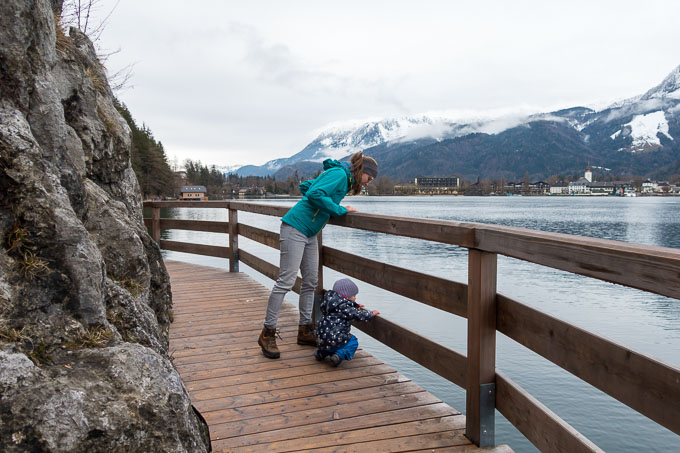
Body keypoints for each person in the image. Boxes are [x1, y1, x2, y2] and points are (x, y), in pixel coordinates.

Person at [258, 152, 379, 359]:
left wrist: (326, 203)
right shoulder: (340, 175)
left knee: (311, 281)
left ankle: (305, 329)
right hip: (295, 227)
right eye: (370, 178)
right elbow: (314, 194)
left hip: (310, 233)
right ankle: (267, 332)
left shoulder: (341, 176)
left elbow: (307, 187)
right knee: (286, 281)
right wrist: (339, 209)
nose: (368, 183)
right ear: (363, 172)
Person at [314, 278, 379, 367]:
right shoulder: (345, 308)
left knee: (329, 342)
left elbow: (344, 307)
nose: (355, 298)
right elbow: (358, 315)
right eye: (354, 296)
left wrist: (355, 305)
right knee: (353, 341)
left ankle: (321, 353)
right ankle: (339, 355)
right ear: (346, 296)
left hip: (321, 339)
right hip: (335, 339)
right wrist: (371, 314)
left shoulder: (330, 303)